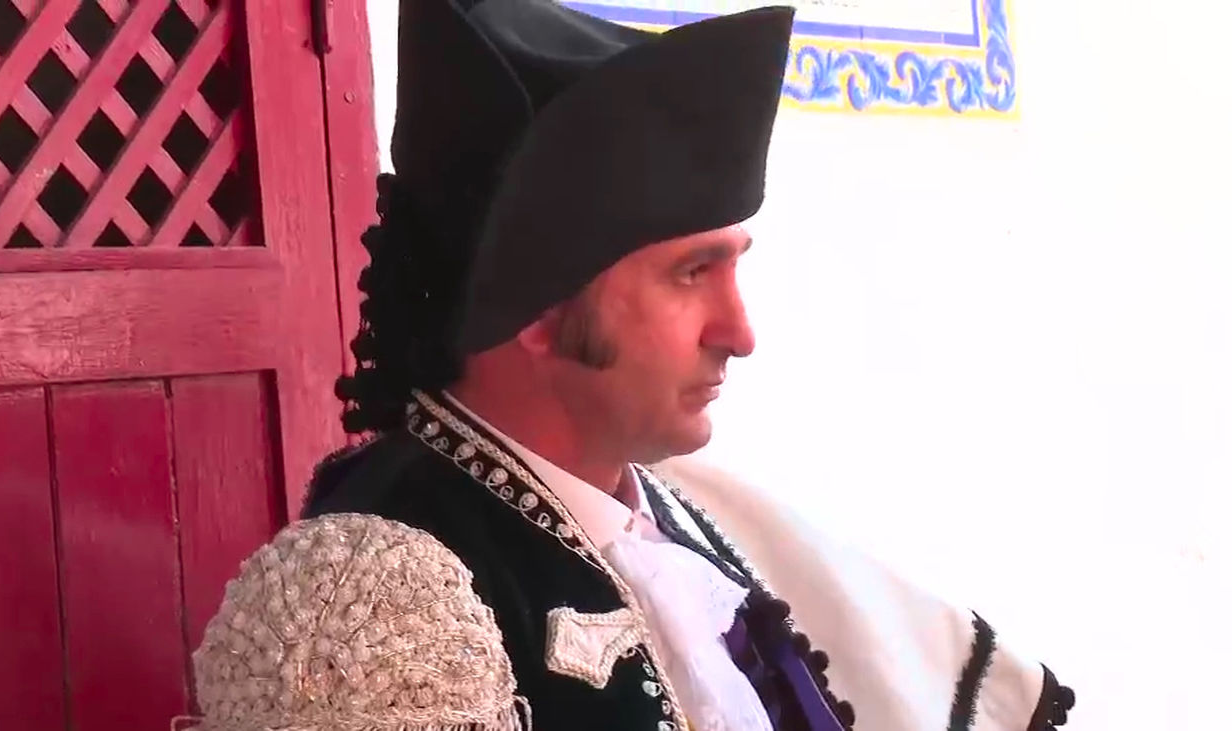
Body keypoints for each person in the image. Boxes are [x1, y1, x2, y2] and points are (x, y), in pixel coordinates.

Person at [186, 0, 1076, 729]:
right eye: (692, 274)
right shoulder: (365, 601)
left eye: (734, 266)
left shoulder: (683, 515)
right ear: (540, 307)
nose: (740, 331)